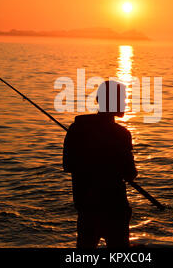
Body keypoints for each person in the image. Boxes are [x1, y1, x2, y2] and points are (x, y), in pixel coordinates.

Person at [63, 80, 137, 248]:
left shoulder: (76, 129)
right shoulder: (122, 134)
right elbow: (130, 174)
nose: (125, 103)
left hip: (86, 207)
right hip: (115, 208)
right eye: (123, 99)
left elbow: (68, 165)